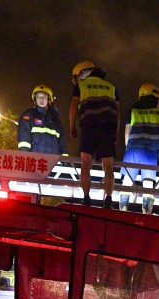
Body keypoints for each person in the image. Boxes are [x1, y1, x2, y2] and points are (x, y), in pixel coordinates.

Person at [69, 60, 120, 208]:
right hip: (107, 128)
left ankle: (86, 198)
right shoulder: (111, 87)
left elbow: (73, 106)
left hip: (88, 126)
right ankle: (108, 200)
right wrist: (115, 132)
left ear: (83, 73)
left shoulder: (81, 86)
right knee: (108, 167)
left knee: (86, 164)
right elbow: (118, 112)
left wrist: (72, 127)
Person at [120, 83, 159, 212]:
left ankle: (122, 211)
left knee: (127, 181)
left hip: (132, 150)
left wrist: (128, 148)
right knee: (148, 184)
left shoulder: (133, 111)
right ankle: (145, 213)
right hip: (150, 152)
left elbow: (126, 132)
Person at [17, 85, 66, 155]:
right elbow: (24, 140)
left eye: (44, 97)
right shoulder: (28, 116)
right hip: (35, 161)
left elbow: (63, 145)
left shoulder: (56, 122)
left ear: (49, 99)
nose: (41, 99)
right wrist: (25, 157)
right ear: (35, 100)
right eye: (38, 97)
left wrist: (65, 161)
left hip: (53, 162)